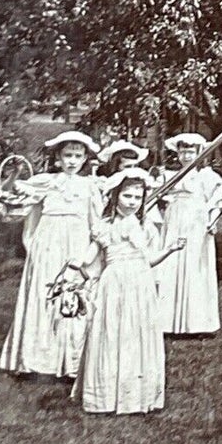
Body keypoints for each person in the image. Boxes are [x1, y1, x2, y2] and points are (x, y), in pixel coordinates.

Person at [0, 131, 115, 377]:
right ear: (58, 158)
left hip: (75, 243)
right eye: (67, 156)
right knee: (44, 293)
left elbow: (96, 223)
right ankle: (34, 359)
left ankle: (70, 362)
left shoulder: (90, 186)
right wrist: (14, 176)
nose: (72, 161)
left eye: (77, 156)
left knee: (71, 296)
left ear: (85, 159)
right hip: (48, 243)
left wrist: (97, 247)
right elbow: (10, 195)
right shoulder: (47, 181)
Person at [72, 169, 184, 414]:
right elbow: (90, 256)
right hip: (114, 281)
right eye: (127, 196)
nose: (132, 202)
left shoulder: (144, 227)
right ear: (115, 196)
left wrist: (171, 249)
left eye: (137, 197)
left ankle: (135, 394)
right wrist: (77, 267)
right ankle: (106, 393)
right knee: (112, 329)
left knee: (136, 331)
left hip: (140, 282)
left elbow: (150, 260)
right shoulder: (103, 227)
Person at [155, 132, 222, 335]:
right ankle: (167, 322)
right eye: (183, 151)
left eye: (191, 151)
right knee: (171, 265)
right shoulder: (168, 176)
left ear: (199, 153)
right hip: (174, 221)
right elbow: (159, 199)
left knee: (195, 266)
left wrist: (213, 220)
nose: (186, 156)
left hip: (196, 223)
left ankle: (197, 323)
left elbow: (216, 202)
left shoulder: (207, 176)